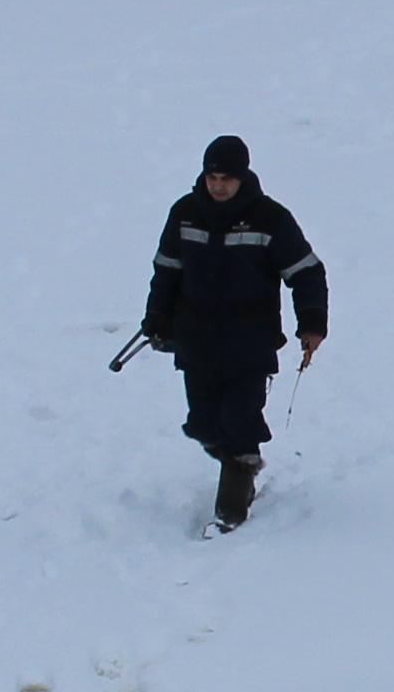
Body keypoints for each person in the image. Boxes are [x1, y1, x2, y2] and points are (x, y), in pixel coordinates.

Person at [140, 134, 326, 530]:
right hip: (196, 340)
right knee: (205, 425)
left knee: (241, 424)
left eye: (227, 178)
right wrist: (157, 317)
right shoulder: (185, 213)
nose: (219, 185)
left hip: (250, 343)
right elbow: (167, 270)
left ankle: (230, 510)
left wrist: (311, 324)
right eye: (212, 177)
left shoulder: (270, 218)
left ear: (243, 177)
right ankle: (237, 470)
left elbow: (306, 272)